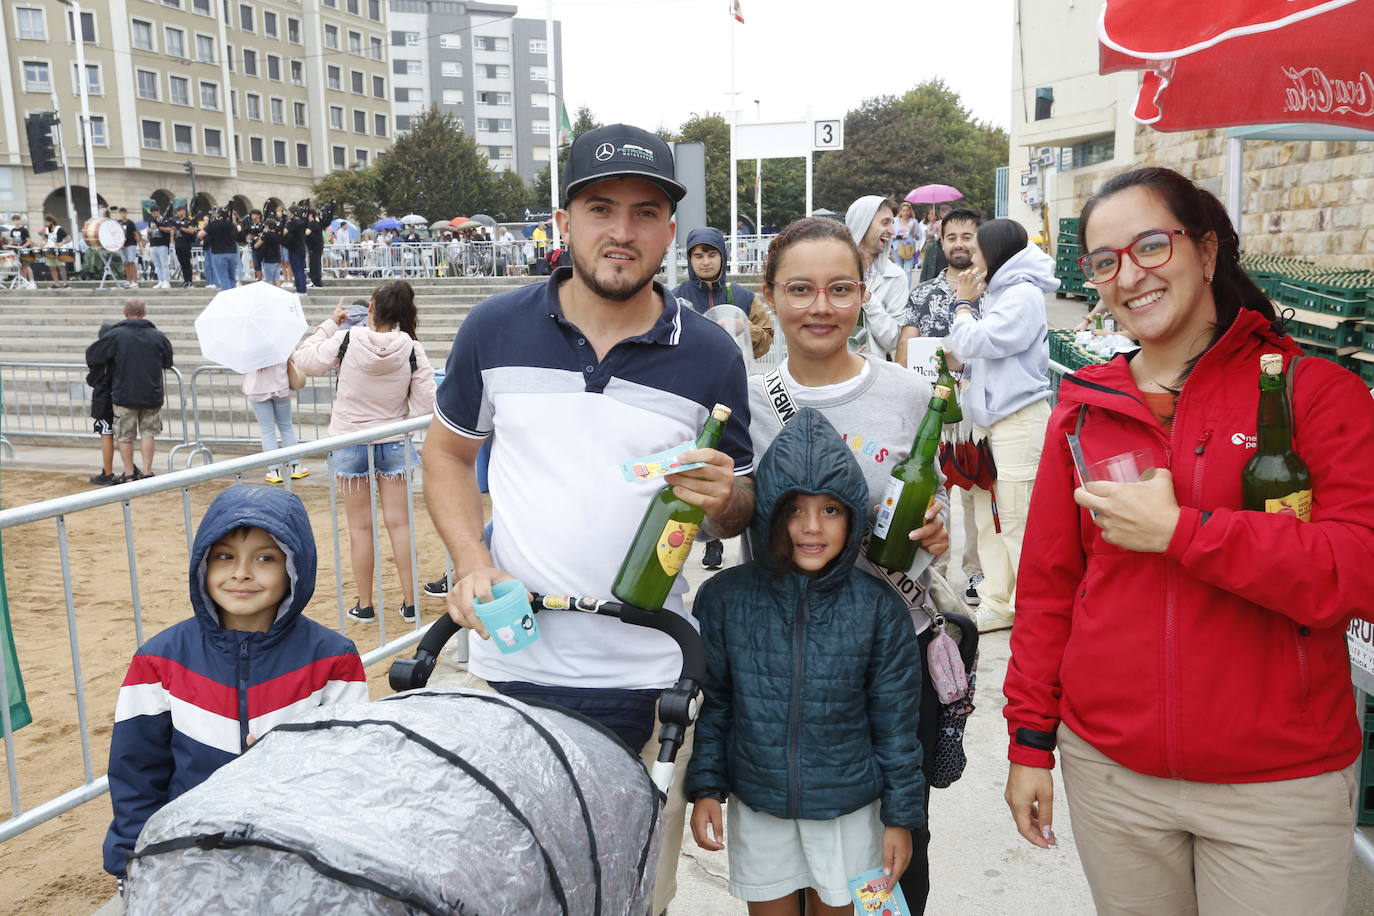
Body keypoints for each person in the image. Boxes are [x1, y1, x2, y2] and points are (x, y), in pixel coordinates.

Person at [1003, 166, 1374, 916]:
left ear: (1206, 251)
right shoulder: (1083, 411)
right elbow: (1047, 590)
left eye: (1150, 245)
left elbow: (1355, 571)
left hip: (1276, 787)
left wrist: (1183, 532)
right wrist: (1029, 742)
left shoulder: (1313, 394)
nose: (1128, 275)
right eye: (1105, 261)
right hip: (1113, 777)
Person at [421, 123, 755, 916]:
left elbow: (737, 506)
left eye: (645, 212)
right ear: (564, 221)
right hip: (510, 672)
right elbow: (446, 457)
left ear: (670, 230)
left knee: (634, 899)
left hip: (650, 683)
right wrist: (471, 559)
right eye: (601, 208)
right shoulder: (492, 331)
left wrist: (725, 501)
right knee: (509, 894)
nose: (622, 231)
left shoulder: (710, 354)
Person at [744, 216, 952, 911]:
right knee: (789, 857)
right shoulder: (749, 400)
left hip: (893, 658)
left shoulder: (909, 396)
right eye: (800, 289)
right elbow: (733, 517)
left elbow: (934, 515)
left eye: (839, 288)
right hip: (788, 668)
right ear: (771, 295)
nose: (820, 307)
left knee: (893, 861)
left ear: (864, 293)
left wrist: (937, 530)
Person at [687, 407, 923, 914]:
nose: (811, 528)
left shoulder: (880, 608)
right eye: (794, 510)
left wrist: (901, 818)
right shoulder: (725, 599)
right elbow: (718, 704)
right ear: (770, 513)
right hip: (759, 806)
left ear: (854, 514)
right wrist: (706, 786)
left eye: (831, 511)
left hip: (852, 814)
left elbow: (896, 727)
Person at [101, 484, 368, 885]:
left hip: (296, 859)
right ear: (203, 564)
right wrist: (133, 860)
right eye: (225, 556)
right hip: (190, 858)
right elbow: (136, 773)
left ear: (295, 567)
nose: (241, 572)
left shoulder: (333, 660)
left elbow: (350, 767)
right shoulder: (159, 661)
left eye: (265, 558)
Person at [293, 280, 436, 623]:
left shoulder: (347, 338)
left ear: (371, 308)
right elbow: (426, 404)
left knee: (360, 528)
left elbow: (304, 359)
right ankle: (410, 602)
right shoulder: (412, 348)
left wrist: (330, 323)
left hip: (350, 441)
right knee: (399, 525)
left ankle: (365, 603)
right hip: (392, 439)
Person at [942, 219, 1055, 632]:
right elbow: (983, 352)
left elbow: (975, 341)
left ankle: (1030, 605)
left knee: (1016, 517)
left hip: (1017, 423)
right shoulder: (1004, 291)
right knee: (989, 515)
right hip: (993, 424)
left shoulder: (1022, 295)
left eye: (977, 250)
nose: (972, 258)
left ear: (996, 252)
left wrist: (962, 305)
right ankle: (996, 599)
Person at [672, 226, 775, 572]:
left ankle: (736, 531)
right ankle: (709, 539)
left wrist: (743, 326)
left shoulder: (743, 297)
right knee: (699, 461)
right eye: (697, 255)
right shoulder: (677, 297)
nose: (704, 261)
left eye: (711, 254)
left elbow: (767, 336)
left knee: (735, 463)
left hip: (735, 391)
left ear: (723, 256)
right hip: (690, 392)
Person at [898, 207, 986, 605]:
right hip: (931, 409)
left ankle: (976, 572)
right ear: (941, 242)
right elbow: (907, 344)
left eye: (967, 236)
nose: (959, 244)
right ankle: (938, 573)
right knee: (937, 490)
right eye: (951, 237)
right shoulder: (923, 292)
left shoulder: (992, 291)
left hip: (978, 409)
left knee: (976, 494)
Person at [85, 299, 174, 482]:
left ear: (125, 313)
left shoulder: (116, 335)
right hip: (151, 392)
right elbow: (168, 361)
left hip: (124, 394)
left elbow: (93, 355)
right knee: (149, 432)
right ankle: (148, 471)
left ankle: (129, 473)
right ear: (145, 313)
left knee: (125, 436)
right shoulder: (158, 336)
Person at [845, 196, 908, 357]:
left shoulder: (895, 276)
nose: (892, 231)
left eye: (892, 224)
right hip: (831, 374)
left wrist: (869, 300)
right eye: (885, 222)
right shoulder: (830, 271)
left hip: (876, 374)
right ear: (862, 223)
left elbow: (893, 341)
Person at [242, 355, 308, 484]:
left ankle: (274, 471)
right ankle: (295, 467)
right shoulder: (278, 341)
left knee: (267, 431)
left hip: (257, 389)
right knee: (286, 427)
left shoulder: (248, 346)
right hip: (280, 386)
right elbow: (293, 357)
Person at [85, 321, 119, 485]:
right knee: (123, 435)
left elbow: (92, 379)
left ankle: (108, 472)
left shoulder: (97, 354)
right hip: (120, 396)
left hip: (103, 399)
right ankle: (130, 469)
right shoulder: (120, 353)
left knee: (106, 433)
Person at [200, 208, 239, 291]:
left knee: (223, 276)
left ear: (218, 215)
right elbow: (237, 235)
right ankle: (233, 293)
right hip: (232, 252)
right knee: (232, 276)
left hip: (218, 253)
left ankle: (227, 296)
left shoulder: (213, 224)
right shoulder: (231, 224)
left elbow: (201, 234)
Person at [890, 201, 922, 286]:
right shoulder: (895, 221)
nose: (906, 213)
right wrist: (900, 237)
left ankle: (907, 290)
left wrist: (913, 233)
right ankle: (899, 288)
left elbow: (918, 237)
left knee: (908, 270)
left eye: (907, 210)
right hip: (897, 248)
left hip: (908, 248)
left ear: (910, 211)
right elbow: (891, 235)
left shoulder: (913, 222)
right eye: (903, 210)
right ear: (900, 211)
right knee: (898, 269)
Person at [143, 205, 172, 289]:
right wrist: (149, 231)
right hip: (153, 244)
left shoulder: (164, 219)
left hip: (162, 244)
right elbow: (149, 231)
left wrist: (159, 227)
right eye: (152, 213)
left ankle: (166, 281)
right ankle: (161, 280)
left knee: (164, 264)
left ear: (158, 211)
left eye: (155, 212)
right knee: (157, 264)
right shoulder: (151, 221)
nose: (153, 214)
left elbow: (169, 229)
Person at [41, 213, 72, 288]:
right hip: (49, 251)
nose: (45, 223)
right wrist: (42, 243)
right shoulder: (47, 230)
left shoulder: (59, 229)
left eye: (46, 222)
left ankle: (65, 283)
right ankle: (56, 283)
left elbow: (68, 238)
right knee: (52, 267)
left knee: (61, 266)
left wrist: (62, 243)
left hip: (58, 251)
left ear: (51, 221)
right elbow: (45, 240)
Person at [115, 208, 141, 290]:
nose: (123, 215)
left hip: (131, 244)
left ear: (126, 213)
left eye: (124, 213)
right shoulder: (118, 223)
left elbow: (136, 233)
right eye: (121, 213)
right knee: (126, 263)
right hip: (122, 245)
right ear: (119, 213)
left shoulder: (131, 223)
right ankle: (129, 281)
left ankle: (135, 282)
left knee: (131, 262)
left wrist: (140, 245)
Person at [171, 204, 197, 288]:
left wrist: (180, 228)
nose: (178, 213)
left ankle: (189, 281)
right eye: (177, 211)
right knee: (182, 263)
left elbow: (191, 231)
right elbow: (174, 231)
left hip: (185, 244)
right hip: (178, 244)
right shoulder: (176, 220)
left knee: (187, 263)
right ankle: (186, 281)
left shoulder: (188, 220)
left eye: (180, 211)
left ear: (183, 211)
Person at [7, 213, 36, 288]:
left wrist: (23, 246)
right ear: (13, 221)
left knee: (27, 266)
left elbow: (29, 241)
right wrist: (8, 245)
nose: (16, 222)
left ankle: (32, 282)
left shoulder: (24, 230)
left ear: (20, 221)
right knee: (20, 267)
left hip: (24, 250)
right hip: (16, 251)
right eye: (15, 220)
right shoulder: (12, 230)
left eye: (18, 220)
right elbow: (12, 240)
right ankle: (24, 281)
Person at [284, 207, 309, 294]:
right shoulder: (302, 222)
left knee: (297, 270)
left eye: (289, 212)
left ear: (293, 213)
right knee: (301, 270)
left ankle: (300, 290)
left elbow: (284, 232)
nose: (288, 214)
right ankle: (303, 290)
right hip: (301, 249)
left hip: (294, 249)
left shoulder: (292, 222)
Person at [254, 216, 284, 285]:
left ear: (267, 226)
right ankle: (279, 293)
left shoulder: (266, 235)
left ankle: (271, 295)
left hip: (269, 259)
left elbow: (256, 245)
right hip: (277, 259)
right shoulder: (277, 235)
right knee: (276, 278)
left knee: (269, 280)